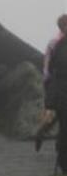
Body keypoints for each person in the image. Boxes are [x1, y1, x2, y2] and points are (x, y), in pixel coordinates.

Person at [35, 17, 66, 151]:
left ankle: (42, 131)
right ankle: (60, 147)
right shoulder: (55, 43)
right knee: (59, 113)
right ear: (62, 26)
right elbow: (47, 62)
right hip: (56, 83)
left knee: (60, 114)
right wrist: (48, 77)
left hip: (58, 83)